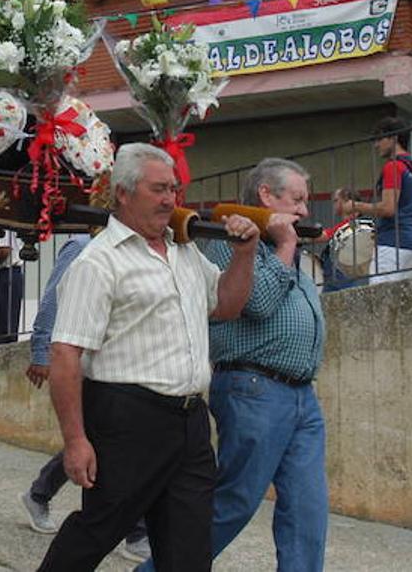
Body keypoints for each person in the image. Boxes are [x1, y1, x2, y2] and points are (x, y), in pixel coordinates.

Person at [37, 143, 260, 572]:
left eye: (173, 190)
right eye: (158, 190)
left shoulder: (185, 251)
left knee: (189, 553)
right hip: (127, 420)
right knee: (96, 532)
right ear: (122, 192)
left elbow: (227, 305)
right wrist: (75, 441)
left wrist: (244, 255)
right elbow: (65, 353)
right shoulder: (98, 262)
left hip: (191, 422)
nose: (169, 200)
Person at [143, 158, 328, 571]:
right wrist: (284, 247)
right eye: (297, 200)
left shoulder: (286, 247)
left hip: (301, 396)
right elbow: (255, 303)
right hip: (255, 388)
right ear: (266, 195)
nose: (304, 211)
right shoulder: (229, 237)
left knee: (307, 509)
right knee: (233, 501)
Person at [20, 234, 151, 562]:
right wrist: (40, 350)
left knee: (105, 441)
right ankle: (136, 532)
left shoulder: (136, 249)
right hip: (89, 363)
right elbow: (52, 300)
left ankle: (39, 493)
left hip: (124, 363)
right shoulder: (82, 247)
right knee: (111, 444)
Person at [336, 116, 412, 281]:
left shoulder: (393, 167)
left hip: (392, 244)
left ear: (394, 138)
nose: (376, 145)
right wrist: (408, 222)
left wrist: (355, 206)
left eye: (379, 139)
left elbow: (388, 208)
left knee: (379, 298)